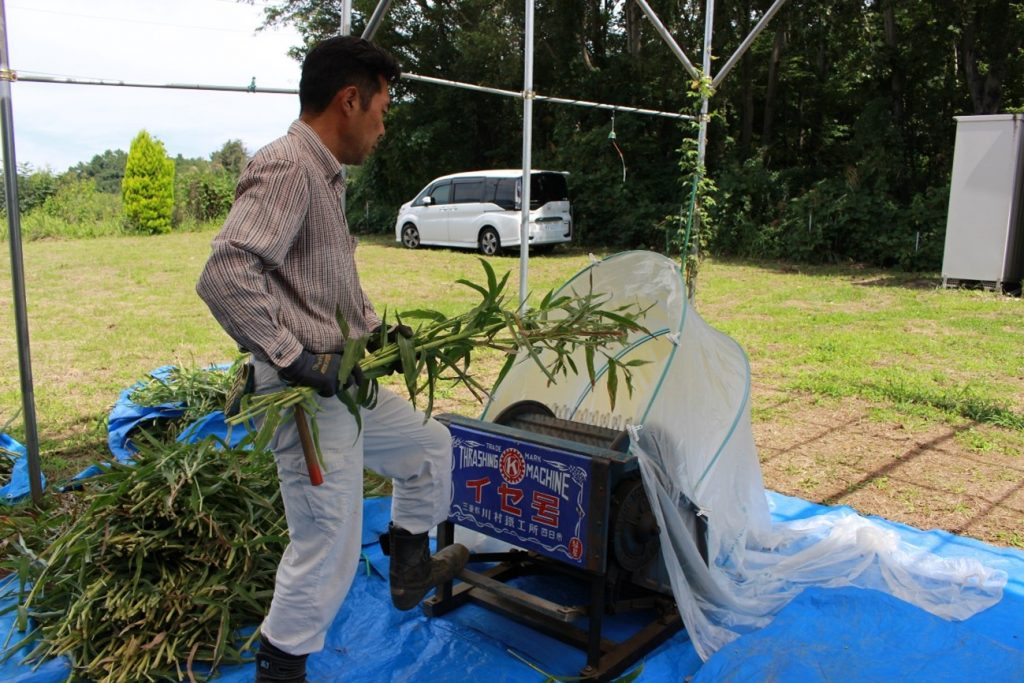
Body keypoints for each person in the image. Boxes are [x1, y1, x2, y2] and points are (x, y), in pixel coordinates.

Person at [196, 36, 468, 683]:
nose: (383, 125)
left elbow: (325, 290)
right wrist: (294, 358)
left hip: (342, 383)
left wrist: (378, 334)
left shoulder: (326, 177)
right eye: (381, 110)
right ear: (350, 100)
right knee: (328, 546)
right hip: (307, 396)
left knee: (430, 445)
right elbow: (226, 273)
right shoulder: (291, 166)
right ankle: (280, 667)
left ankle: (408, 562)